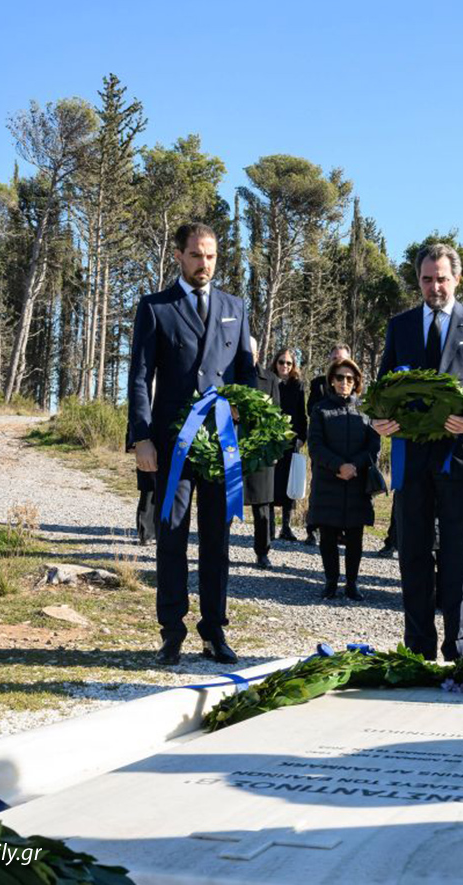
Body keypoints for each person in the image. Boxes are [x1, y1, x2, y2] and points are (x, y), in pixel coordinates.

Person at [127, 222, 254, 666]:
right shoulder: (156, 307)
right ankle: (171, 631)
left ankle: (214, 630)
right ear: (179, 256)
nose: (205, 264)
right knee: (172, 537)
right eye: (197, 255)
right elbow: (140, 377)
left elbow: (245, 373)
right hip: (170, 445)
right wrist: (142, 437)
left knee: (217, 540)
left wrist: (245, 412)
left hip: (221, 444)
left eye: (212, 256)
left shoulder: (235, 307)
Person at [373, 243, 463, 661]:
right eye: (427, 279)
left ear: (457, 278)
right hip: (411, 460)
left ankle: (458, 647)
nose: (435, 286)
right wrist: (378, 419)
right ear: (418, 280)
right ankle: (418, 648)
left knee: (459, 558)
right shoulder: (400, 326)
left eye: (442, 278)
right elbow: (382, 388)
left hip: (460, 458)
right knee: (414, 554)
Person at [308, 357, 380, 600]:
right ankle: (330, 581)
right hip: (329, 480)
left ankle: (352, 583)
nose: (344, 382)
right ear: (331, 380)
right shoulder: (320, 410)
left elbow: (374, 445)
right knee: (327, 535)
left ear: (357, 381)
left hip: (357, 481)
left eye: (350, 378)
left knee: (355, 536)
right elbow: (315, 446)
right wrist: (338, 466)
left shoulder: (366, 411)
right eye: (340, 377)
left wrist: (354, 466)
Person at [305, 343, 352, 548]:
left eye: (342, 358)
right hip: (324, 445)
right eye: (335, 358)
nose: (338, 361)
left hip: (348, 447)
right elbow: (310, 409)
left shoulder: (354, 383)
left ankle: (342, 530)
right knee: (318, 490)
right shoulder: (318, 383)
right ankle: (312, 530)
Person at [244, 337, 282, 569]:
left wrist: (273, 448)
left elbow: (276, 415)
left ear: (258, 354)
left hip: (261, 452)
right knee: (229, 503)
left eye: (251, 352)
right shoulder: (228, 376)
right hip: (234, 449)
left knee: (263, 507)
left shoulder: (270, 379)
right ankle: (220, 548)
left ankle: (262, 551)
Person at [270, 347, 309, 542]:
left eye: (289, 363)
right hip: (269, 440)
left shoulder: (297, 385)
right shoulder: (268, 381)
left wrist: (302, 436)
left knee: (288, 484)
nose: (285, 366)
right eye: (281, 362)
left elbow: (301, 414)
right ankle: (268, 526)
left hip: (290, 440)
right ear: (275, 363)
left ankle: (286, 526)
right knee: (269, 483)